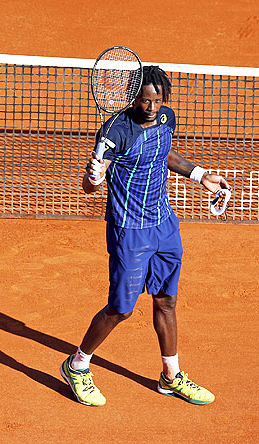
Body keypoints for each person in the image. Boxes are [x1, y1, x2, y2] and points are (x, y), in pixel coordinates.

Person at [60, 65, 231, 407]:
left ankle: (170, 377)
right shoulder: (115, 132)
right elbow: (89, 188)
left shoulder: (165, 118)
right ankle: (77, 365)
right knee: (121, 308)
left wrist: (200, 176)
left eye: (157, 100)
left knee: (166, 300)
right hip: (130, 230)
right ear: (133, 97)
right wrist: (93, 178)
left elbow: (162, 152)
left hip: (164, 224)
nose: (152, 107)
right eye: (144, 100)